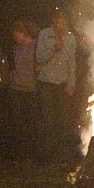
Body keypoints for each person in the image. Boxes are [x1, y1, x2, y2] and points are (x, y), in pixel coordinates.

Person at [34, 9, 78, 161]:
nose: (63, 25)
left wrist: (71, 83)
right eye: (60, 21)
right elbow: (39, 58)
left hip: (62, 84)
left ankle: (62, 155)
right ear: (54, 21)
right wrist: (54, 48)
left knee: (64, 120)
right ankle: (48, 155)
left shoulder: (71, 38)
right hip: (46, 83)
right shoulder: (44, 35)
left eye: (65, 22)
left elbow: (72, 62)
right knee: (48, 120)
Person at [5, 19, 41, 160]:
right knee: (17, 123)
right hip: (16, 89)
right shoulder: (16, 48)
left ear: (24, 33)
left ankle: (31, 153)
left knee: (30, 122)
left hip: (31, 90)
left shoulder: (36, 46)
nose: (14, 38)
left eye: (16, 35)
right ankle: (19, 153)